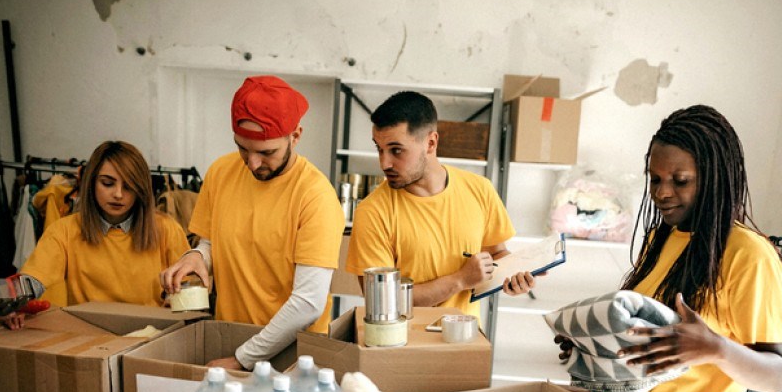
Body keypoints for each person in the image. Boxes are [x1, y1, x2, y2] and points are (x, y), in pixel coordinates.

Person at [590, 105, 782, 392]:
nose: (662, 192)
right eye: (656, 179)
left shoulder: (748, 255)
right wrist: (592, 344)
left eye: (680, 181)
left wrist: (715, 347)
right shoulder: (661, 239)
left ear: (715, 179)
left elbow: (777, 376)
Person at [160, 75, 344, 371]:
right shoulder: (221, 172)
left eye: (266, 152)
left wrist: (243, 359)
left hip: (294, 360)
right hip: (230, 340)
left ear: (295, 136)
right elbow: (212, 242)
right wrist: (197, 257)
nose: (252, 163)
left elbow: (308, 303)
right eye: (243, 148)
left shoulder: (315, 197)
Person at [346, 91, 535, 319]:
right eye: (379, 148)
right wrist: (460, 280)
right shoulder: (372, 212)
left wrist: (515, 274)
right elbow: (383, 301)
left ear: (431, 143)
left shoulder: (480, 189)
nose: (384, 163)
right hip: (403, 348)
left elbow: (497, 252)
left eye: (396, 150)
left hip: (464, 341)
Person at [3, 141, 191, 329]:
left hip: (152, 337)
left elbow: (190, 287)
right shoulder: (64, 231)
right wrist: (14, 302)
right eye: (107, 183)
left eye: (129, 186)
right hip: (89, 340)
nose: (118, 194)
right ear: (91, 182)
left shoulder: (167, 230)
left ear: (141, 189)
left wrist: (177, 299)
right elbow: (35, 276)